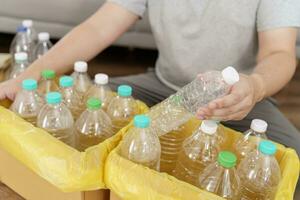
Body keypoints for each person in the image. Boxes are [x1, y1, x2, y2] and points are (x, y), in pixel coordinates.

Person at [1, 1, 300, 154]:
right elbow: (99, 27)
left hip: (238, 100)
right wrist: (27, 77)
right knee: (83, 113)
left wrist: (255, 86)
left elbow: (280, 53)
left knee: (293, 164)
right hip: (163, 88)